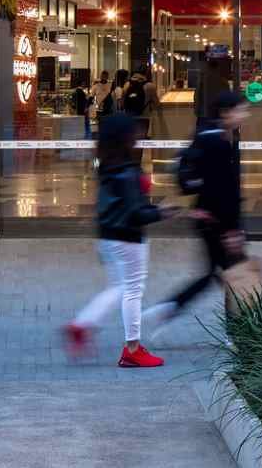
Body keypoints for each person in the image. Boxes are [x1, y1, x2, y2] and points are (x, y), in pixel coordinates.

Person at [62, 114, 176, 367]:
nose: (139, 137)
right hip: (129, 239)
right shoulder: (127, 170)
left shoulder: (107, 166)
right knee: (133, 290)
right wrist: (162, 212)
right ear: (125, 138)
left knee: (119, 287)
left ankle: (81, 325)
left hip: (108, 236)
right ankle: (132, 348)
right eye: (134, 133)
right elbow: (136, 212)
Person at [149, 91, 250, 325]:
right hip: (218, 221)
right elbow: (224, 189)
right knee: (233, 274)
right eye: (241, 110)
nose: (245, 115)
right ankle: (236, 330)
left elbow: (203, 181)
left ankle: (172, 306)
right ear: (226, 113)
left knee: (218, 273)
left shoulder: (204, 134)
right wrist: (233, 229)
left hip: (205, 217)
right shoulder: (219, 143)